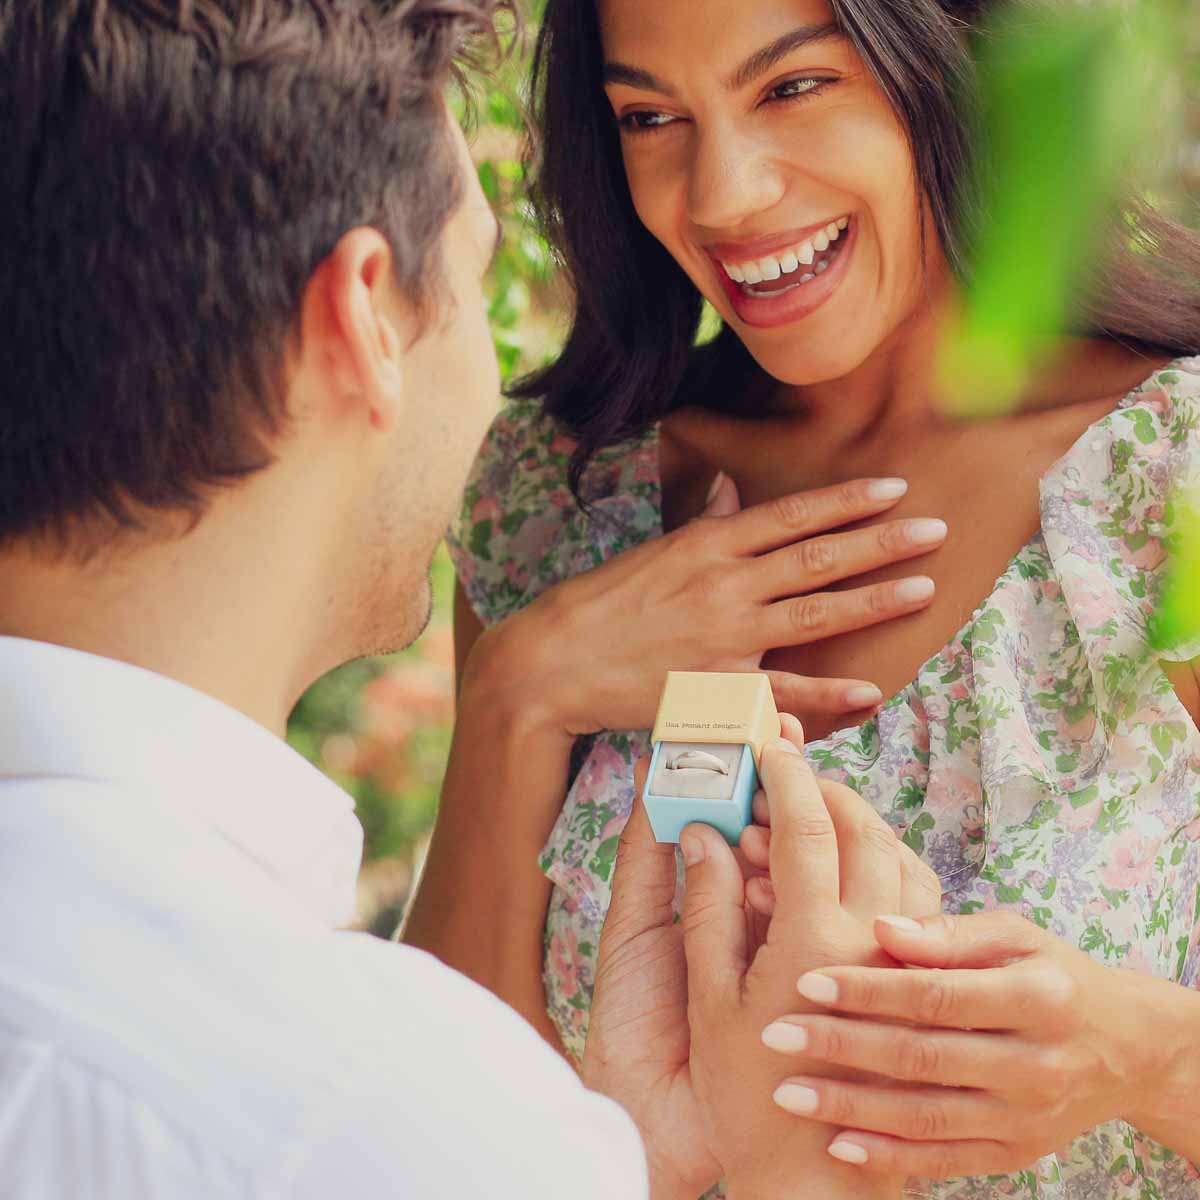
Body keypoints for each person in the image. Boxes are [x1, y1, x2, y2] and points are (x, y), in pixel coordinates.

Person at [0, 2, 935, 1197]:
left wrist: (624, 1154)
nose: (722, 197)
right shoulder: (369, 1113)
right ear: (365, 318)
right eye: (482, 272)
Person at [424, 0, 1200, 1197]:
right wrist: (522, 691)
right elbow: (433, 1129)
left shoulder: (1168, 479)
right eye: (651, 115)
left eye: (793, 87)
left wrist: (1150, 1057)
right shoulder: (552, 498)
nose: (721, 193)